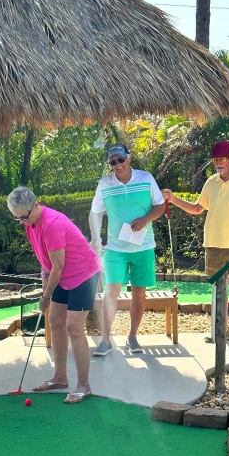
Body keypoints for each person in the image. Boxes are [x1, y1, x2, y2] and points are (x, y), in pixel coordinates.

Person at [162, 140, 229, 348]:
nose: (218, 163)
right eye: (216, 160)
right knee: (219, 287)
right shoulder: (211, 182)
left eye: (222, 159)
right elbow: (197, 208)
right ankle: (222, 330)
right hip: (214, 244)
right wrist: (173, 199)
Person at [7, 186, 101, 404]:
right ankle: (60, 378)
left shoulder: (52, 224)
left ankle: (84, 386)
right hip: (62, 275)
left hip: (83, 275)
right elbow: (45, 259)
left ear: (36, 205)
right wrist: (44, 280)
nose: (22, 222)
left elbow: (58, 266)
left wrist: (45, 296)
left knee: (74, 328)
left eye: (24, 217)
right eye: (18, 219)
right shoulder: (30, 223)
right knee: (55, 321)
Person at [89, 143, 165, 356]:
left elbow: (160, 205)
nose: (117, 164)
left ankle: (132, 337)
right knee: (111, 291)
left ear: (128, 158)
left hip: (144, 246)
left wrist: (145, 219)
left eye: (121, 159)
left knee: (139, 294)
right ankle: (105, 340)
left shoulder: (146, 178)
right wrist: (96, 238)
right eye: (113, 162)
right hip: (115, 249)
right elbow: (95, 212)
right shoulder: (104, 184)